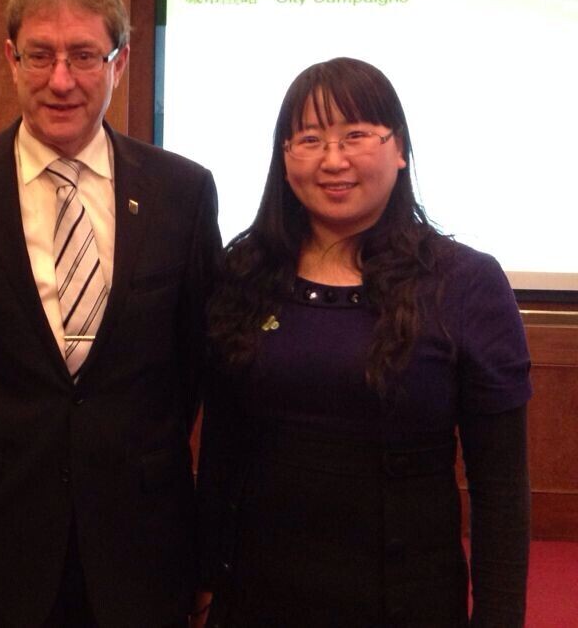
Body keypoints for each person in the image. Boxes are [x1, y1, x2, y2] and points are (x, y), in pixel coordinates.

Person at [0, 0, 221, 627]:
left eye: (83, 55)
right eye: (40, 55)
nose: (61, 80)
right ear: (10, 58)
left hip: (140, 541)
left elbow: (191, 369)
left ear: (120, 62)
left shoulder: (183, 194)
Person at [195, 57, 531, 627]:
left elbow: (500, 487)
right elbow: (221, 451)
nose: (333, 160)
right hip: (257, 595)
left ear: (399, 149)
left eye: (355, 135)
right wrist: (203, 583)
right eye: (309, 139)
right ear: (284, 157)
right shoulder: (245, 272)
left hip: (407, 601)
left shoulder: (465, 282)